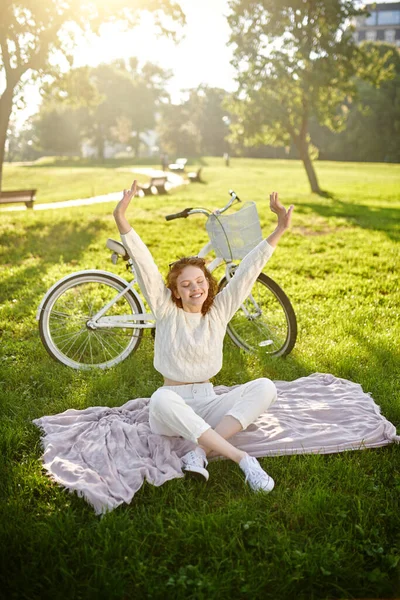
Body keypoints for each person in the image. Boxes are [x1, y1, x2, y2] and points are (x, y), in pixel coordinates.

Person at [113, 181, 294, 492]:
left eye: (200, 281)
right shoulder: (166, 309)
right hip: (171, 405)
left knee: (265, 386)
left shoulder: (218, 311)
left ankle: (199, 453)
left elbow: (248, 272)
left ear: (208, 284)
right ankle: (243, 460)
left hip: (209, 401)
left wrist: (279, 229)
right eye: (186, 285)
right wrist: (121, 219)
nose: (195, 288)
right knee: (159, 399)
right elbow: (144, 265)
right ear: (175, 292)